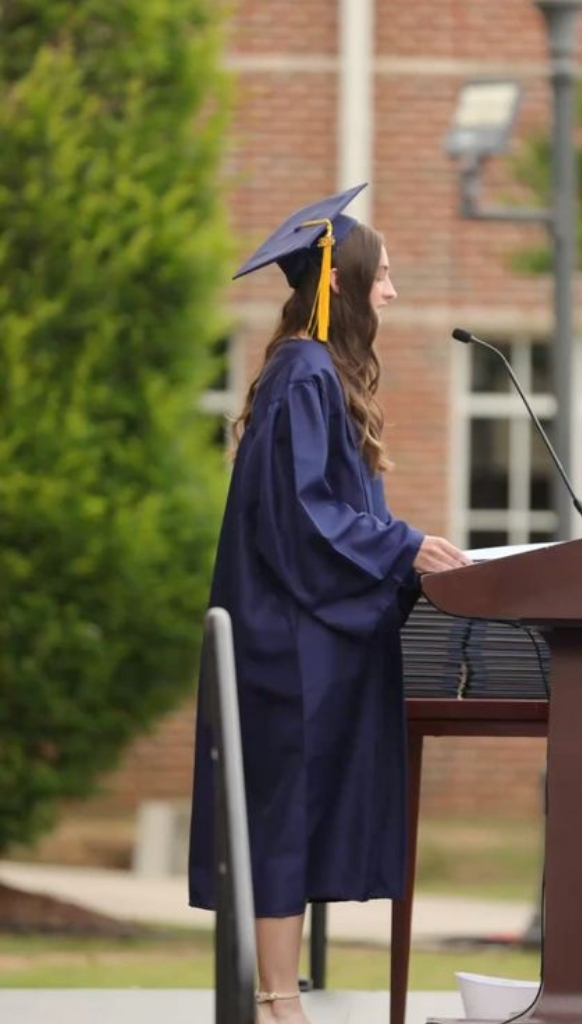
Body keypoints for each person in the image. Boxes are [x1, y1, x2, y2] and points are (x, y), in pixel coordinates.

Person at [187, 183, 470, 1024]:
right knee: (283, 813)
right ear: (340, 281)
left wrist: (408, 550)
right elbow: (307, 513)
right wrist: (402, 547)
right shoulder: (304, 374)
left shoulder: (310, 373)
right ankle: (276, 1001)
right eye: (381, 275)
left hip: (298, 641)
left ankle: (280, 997)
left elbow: (336, 509)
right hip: (285, 648)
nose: (392, 291)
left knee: (294, 812)